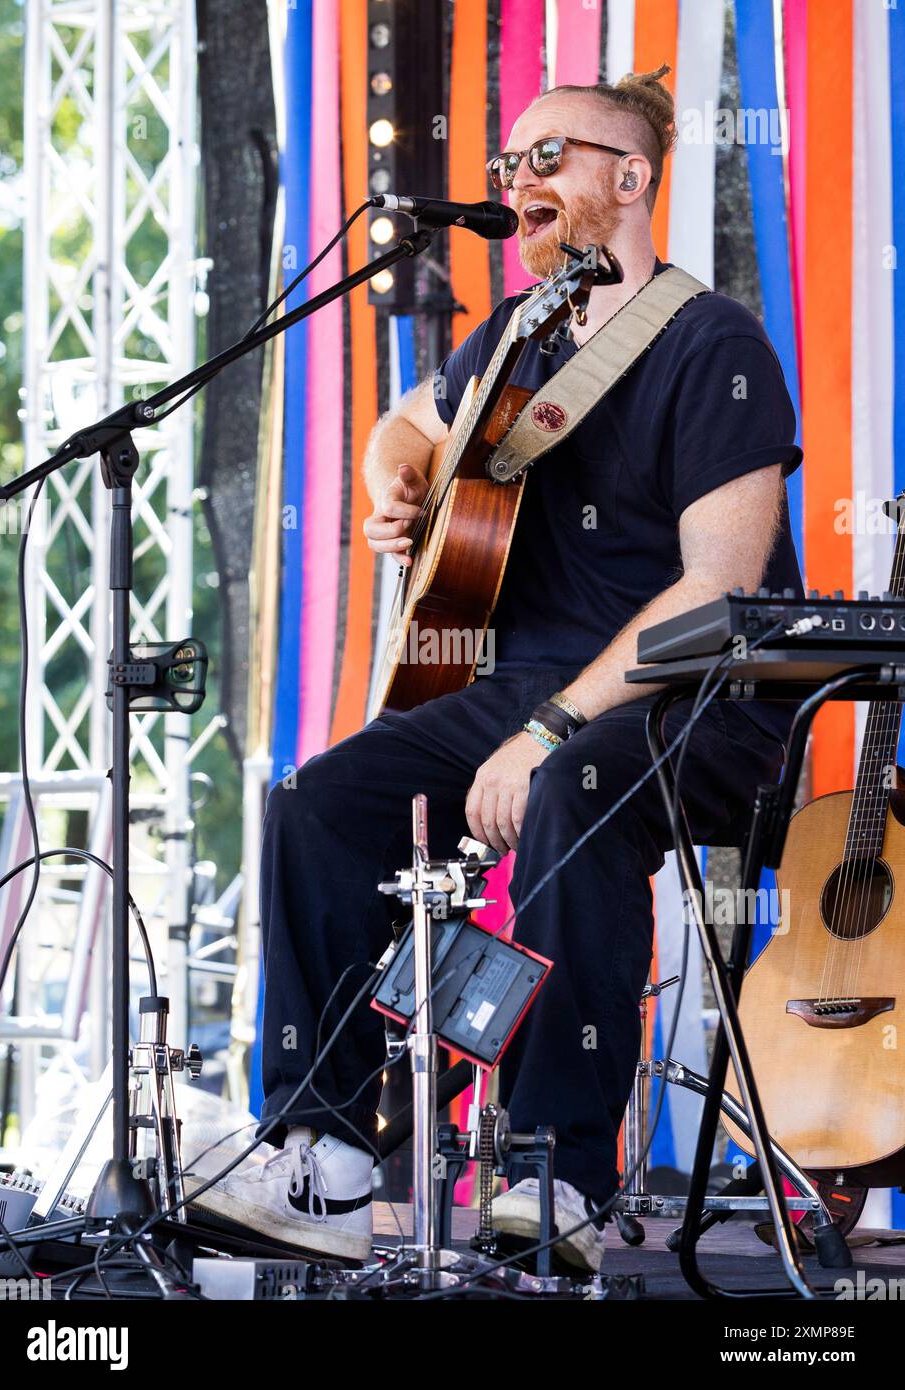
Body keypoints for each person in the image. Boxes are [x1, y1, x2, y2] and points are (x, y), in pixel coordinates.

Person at [199, 66, 802, 1272]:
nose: (516, 184)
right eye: (507, 165)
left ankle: (553, 1170)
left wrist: (546, 731)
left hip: (696, 702)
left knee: (575, 788)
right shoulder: (520, 332)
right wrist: (393, 489)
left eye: (548, 160)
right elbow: (403, 428)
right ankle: (327, 1155)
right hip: (515, 687)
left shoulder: (711, 344)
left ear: (629, 179)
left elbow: (716, 590)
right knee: (321, 804)